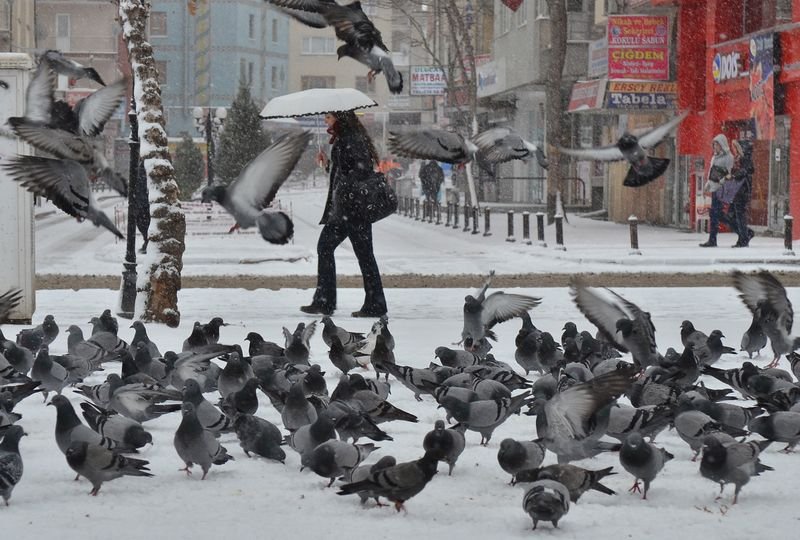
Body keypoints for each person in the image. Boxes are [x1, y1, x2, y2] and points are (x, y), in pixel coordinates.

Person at [300, 111, 387, 318]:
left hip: (353, 209)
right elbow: (345, 170)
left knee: (362, 255)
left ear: (340, 118)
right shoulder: (344, 138)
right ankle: (325, 301)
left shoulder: (352, 139)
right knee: (328, 248)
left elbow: (361, 170)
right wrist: (328, 164)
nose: (325, 120)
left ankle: (372, 304)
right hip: (345, 209)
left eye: (328, 117)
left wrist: (345, 185)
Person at [699, 133, 734, 247]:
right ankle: (713, 239)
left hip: (721, 189)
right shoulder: (714, 157)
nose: (715, 147)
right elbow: (711, 172)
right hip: (714, 189)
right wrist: (707, 186)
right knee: (716, 215)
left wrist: (721, 181)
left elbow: (729, 174)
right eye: (714, 145)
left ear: (722, 145)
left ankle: (741, 229)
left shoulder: (729, 157)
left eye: (717, 145)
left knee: (716, 215)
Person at [721, 140, 755, 247]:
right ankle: (745, 233)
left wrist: (733, 175)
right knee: (730, 216)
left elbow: (747, 170)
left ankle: (743, 239)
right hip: (736, 192)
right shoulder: (737, 159)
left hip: (741, 192)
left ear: (740, 148)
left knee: (739, 216)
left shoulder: (745, 159)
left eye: (735, 147)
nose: (733, 149)